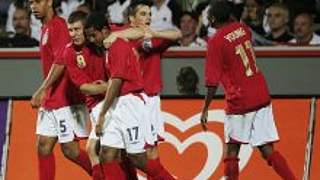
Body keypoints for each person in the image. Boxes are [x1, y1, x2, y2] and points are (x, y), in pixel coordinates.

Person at [200, 1, 296, 180]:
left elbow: (211, 82)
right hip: (260, 93)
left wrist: (205, 108)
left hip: (240, 99)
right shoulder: (243, 28)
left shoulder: (215, 42)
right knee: (267, 149)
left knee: (231, 150)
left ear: (212, 19)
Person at [85, 11, 175, 180]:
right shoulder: (107, 45)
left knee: (138, 158)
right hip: (116, 104)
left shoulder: (117, 45)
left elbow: (117, 81)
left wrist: (103, 114)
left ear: (105, 30)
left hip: (130, 105)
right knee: (107, 154)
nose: (91, 40)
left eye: (93, 35)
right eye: (88, 37)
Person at [28, 0, 92, 179]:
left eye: (37, 1)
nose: (33, 6)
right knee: (43, 145)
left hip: (65, 97)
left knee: (70, 150)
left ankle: (102, 175)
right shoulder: (45, 27)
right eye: (30, 2)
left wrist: (42, 89)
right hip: (52, 97)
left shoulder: (59, 26)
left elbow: (61, 61)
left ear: (49, 2)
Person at [61, 10, 108, 180]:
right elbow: (84, 87)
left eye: (77, 29)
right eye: (70, 30)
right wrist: (110, 87)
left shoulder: (98, 41)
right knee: (104, 153)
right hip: (95, 106)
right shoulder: (69, 53)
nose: (73, 34)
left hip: (112, 104)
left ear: (86, 29)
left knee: (94, 150)